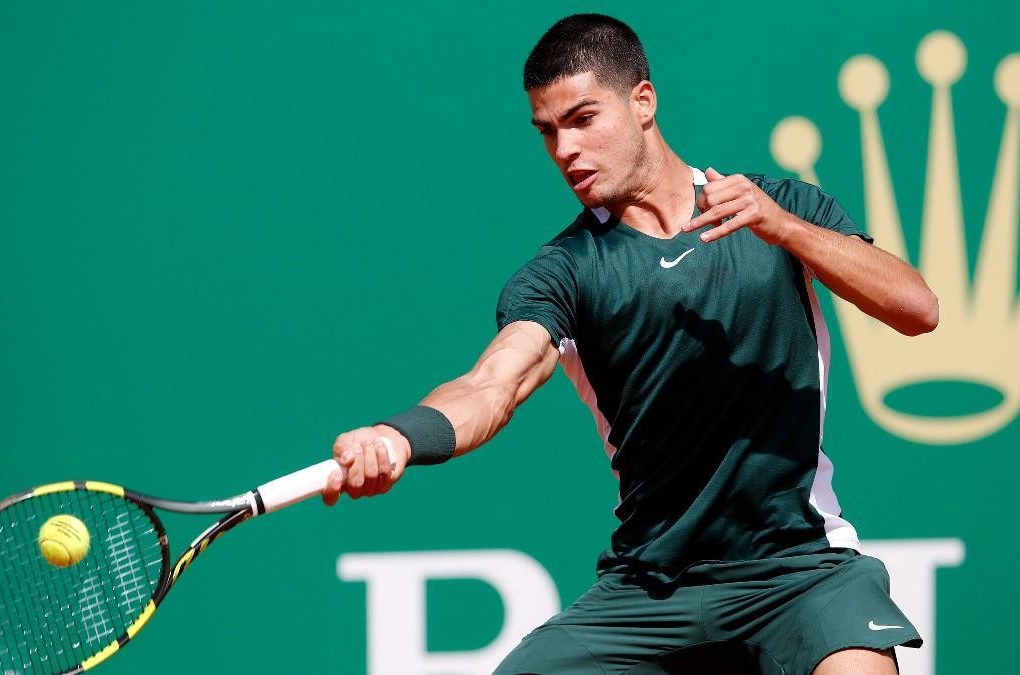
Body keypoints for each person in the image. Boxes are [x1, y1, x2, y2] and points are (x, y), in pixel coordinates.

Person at [320, 13, 938, 675]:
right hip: (652, 589)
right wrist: (399, 436)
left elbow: (917, 308)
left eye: (583, 119)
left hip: (801, 569)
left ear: (643, 102)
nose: (564, 150)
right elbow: (492, 384)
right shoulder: (564, 272)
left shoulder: (780, 205)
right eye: (548, 132)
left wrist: (785, 228)